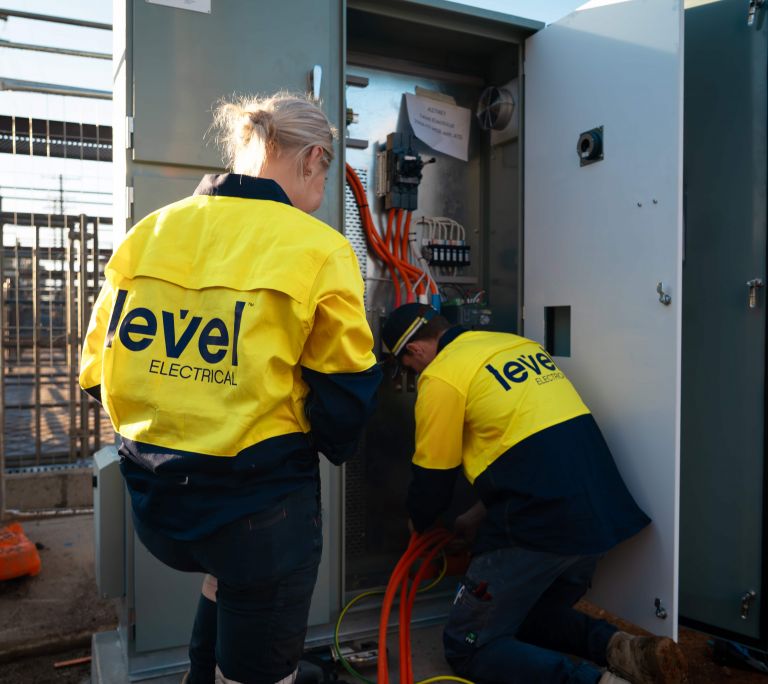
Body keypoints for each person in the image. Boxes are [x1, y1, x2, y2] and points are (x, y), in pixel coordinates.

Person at [80, 92, 382, 684]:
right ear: (313, 159)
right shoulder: (317, 247)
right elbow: (345, 405)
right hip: (257, 517)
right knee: (260, 662)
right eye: (323, 176)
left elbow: (95, 373)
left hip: (159, 508)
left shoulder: (151, 230)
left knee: (226, 588)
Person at [381, 303, 687, 684]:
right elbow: (527, 446)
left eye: (409, 366)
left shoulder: (443, 375)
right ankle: (627, 651)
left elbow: (433, 479)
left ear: (415, 351)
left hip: (542, 525)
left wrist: (419, 522)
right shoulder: (512, 345)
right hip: (597, 515)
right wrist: (476, 516)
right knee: (526, 616)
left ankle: (594, 682)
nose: (414, 372)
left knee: (468, 646)